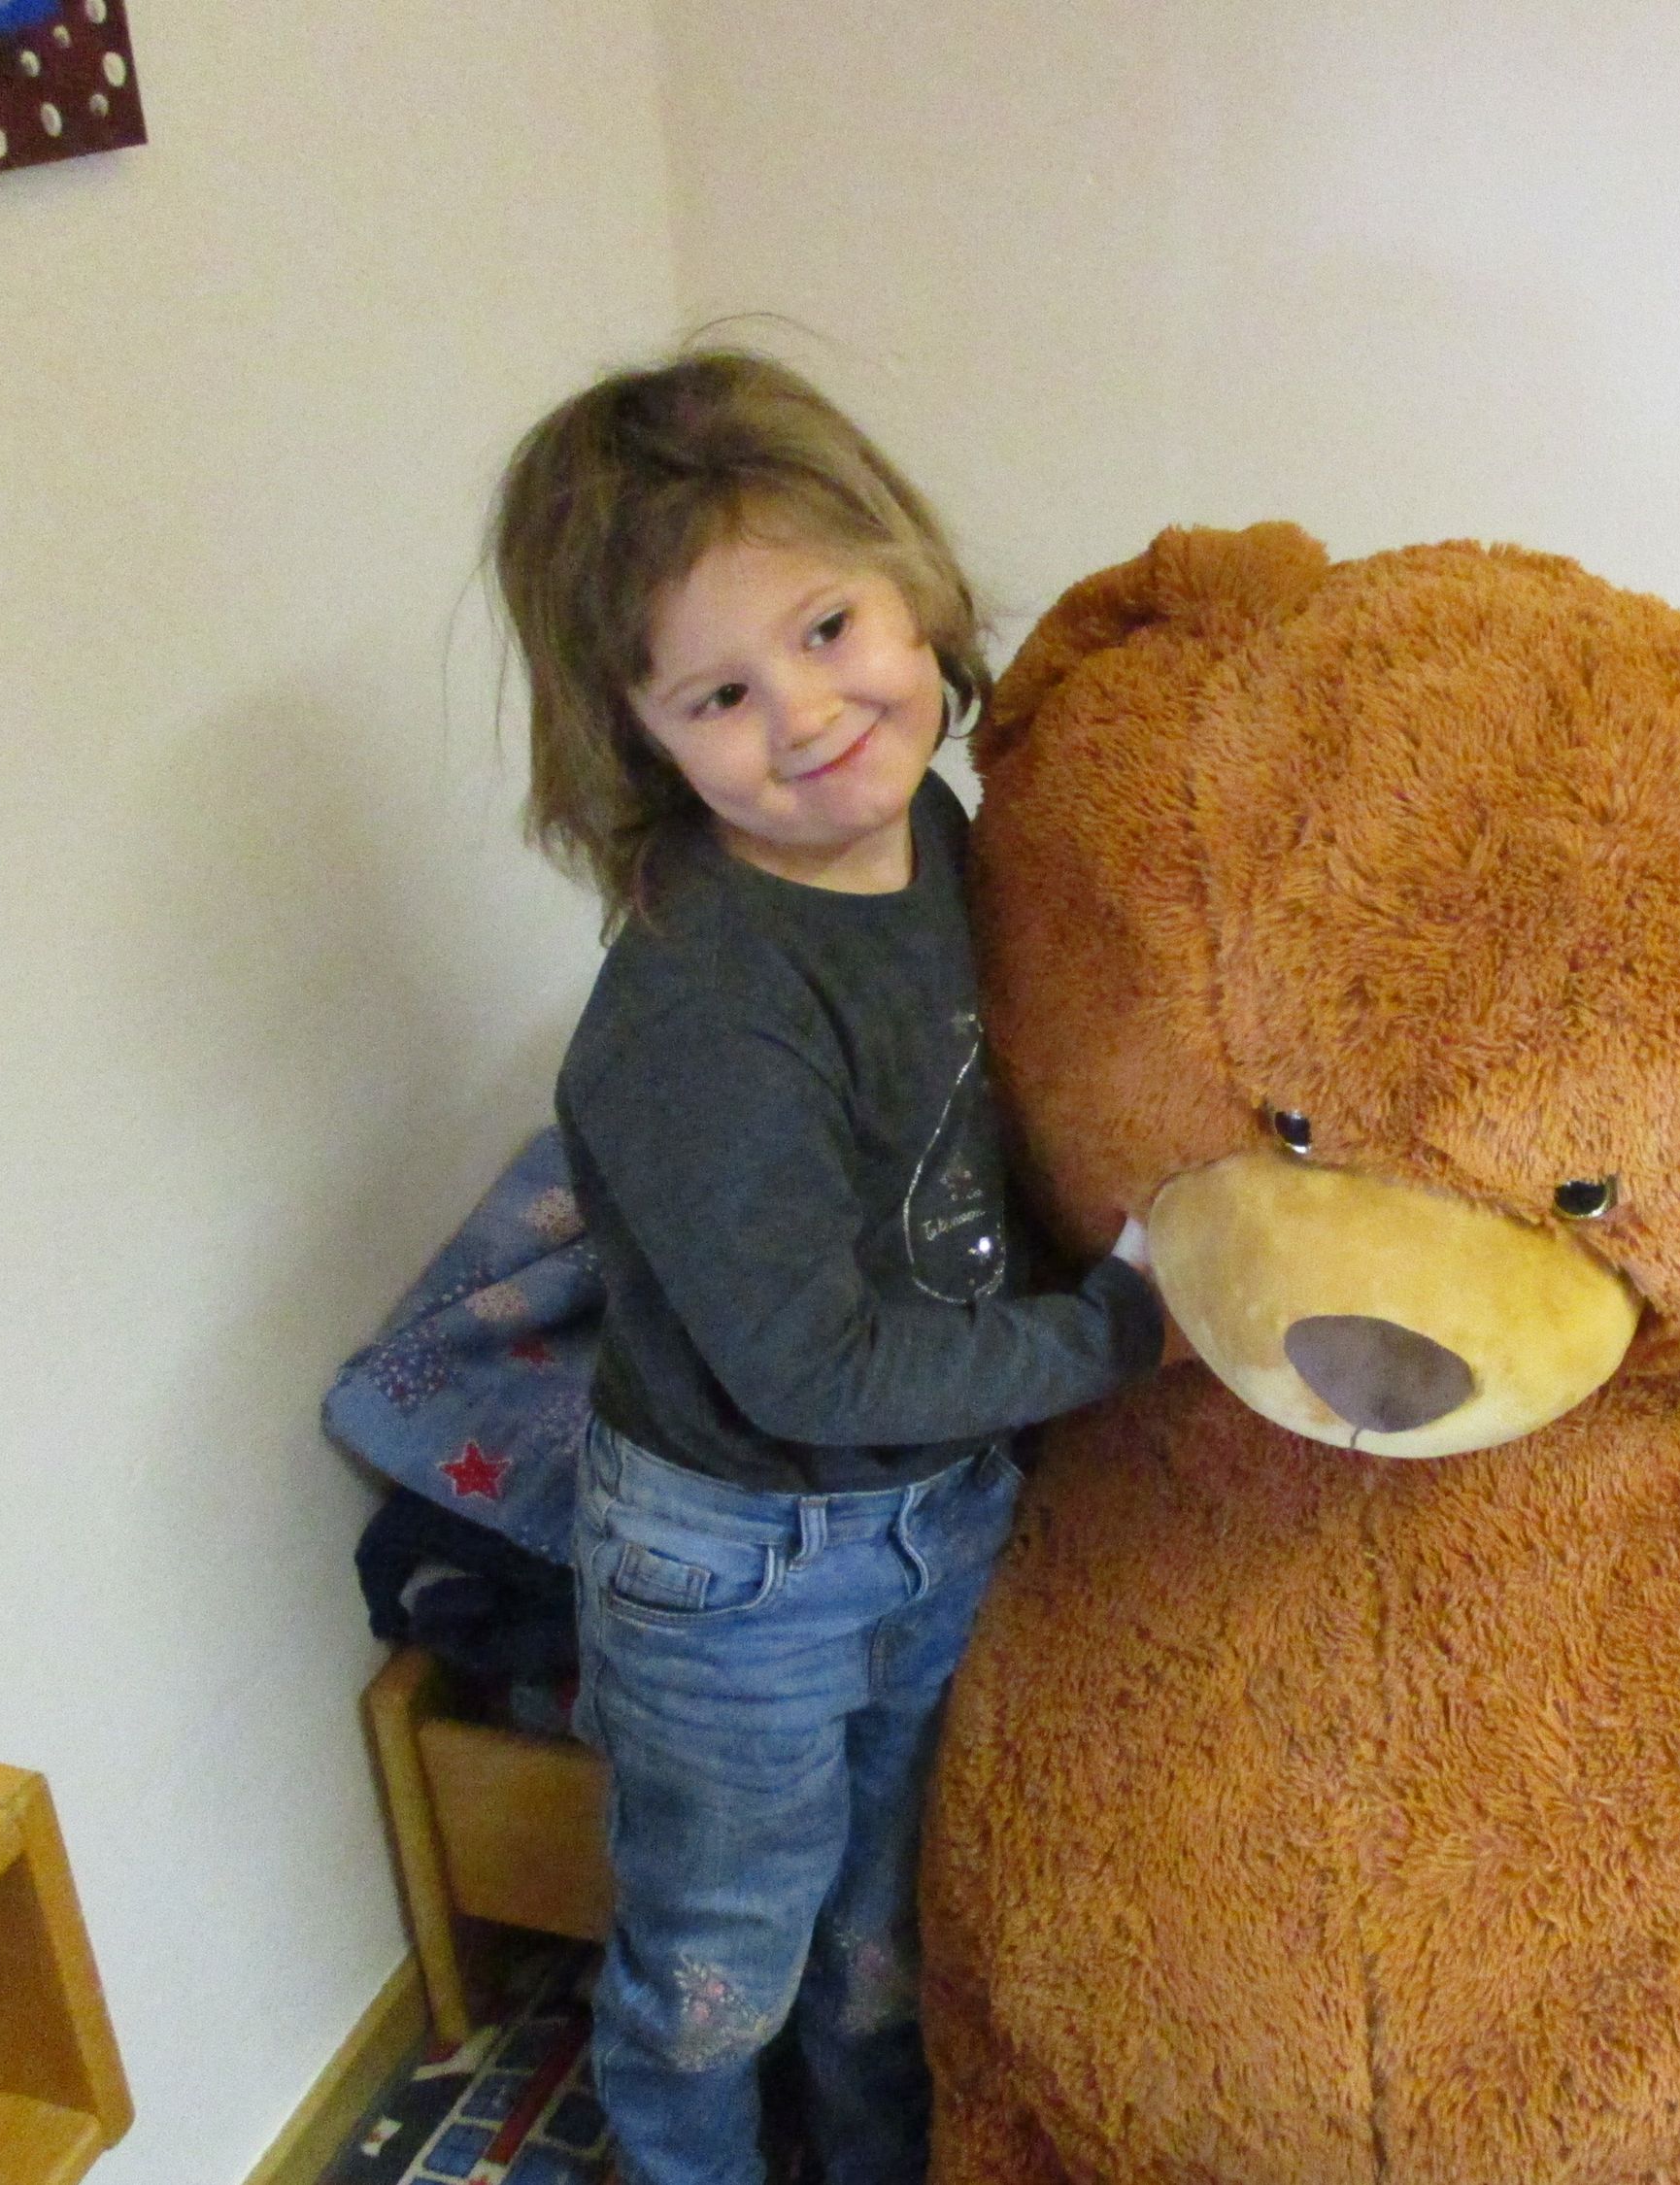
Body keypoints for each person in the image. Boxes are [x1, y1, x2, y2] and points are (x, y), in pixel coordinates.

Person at [489, 348, 1165, 2185]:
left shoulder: (931, 830)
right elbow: (816, 1367)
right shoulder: (700, 1016)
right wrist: (1117, 1330)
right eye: (720, 693)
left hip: (936, 1507)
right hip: (740, 1570)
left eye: (828, 627)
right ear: (639, 739)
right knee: (718, 1960)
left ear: (913, 585)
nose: (805, 716)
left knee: (886, 1922)